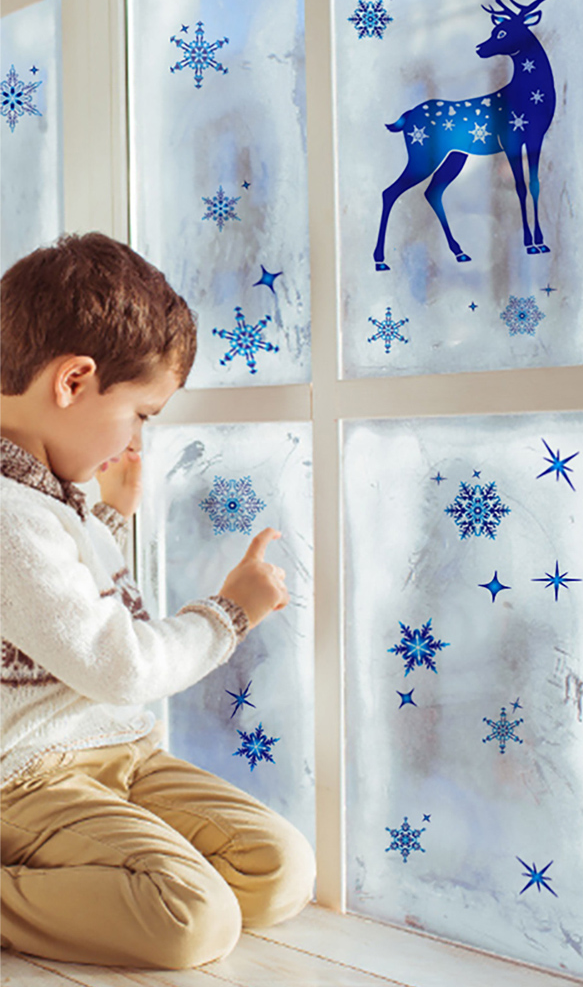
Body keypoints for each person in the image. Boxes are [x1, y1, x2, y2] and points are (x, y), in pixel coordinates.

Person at [0, 233, 315, 969]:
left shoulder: (50, 496)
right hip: (28, 776)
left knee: (278, 871)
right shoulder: (9, 515)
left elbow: (59, 609)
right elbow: (118, 663)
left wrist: (107, 516)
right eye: (143, 411)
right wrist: (228, 613)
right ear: (74, 382)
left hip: (119, 753)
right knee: (192, 921)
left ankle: (96, 878)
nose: (140, 433)